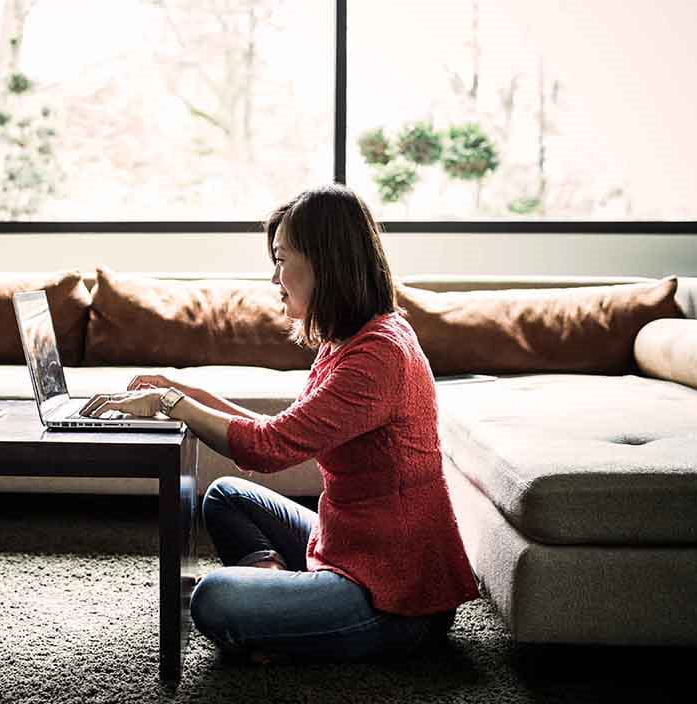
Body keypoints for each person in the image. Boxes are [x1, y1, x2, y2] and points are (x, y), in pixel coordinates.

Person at [81, 184, 478, 662]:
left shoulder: (378, 355)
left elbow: (270, 449)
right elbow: (281, 429)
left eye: (281, 258)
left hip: (394, 597)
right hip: (352, 545)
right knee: (228, 496)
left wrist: (170, 403)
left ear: (324, 262)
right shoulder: (353, 338)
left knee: (212, 598)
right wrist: (181, 390)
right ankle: (281, 603)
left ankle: (285, 619)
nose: (274, 278)